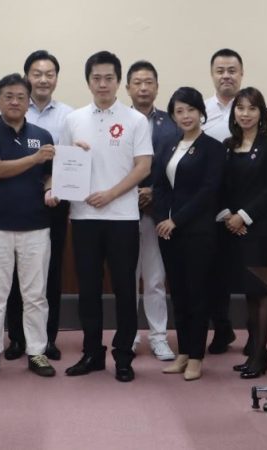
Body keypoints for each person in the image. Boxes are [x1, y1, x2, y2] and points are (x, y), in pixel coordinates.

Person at [61, 51, 152, 382]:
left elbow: (144, 166)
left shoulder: (135, 120)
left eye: (109, 78)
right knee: (88, 289)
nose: (103, 84)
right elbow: (63, 164)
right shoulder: (73, 119)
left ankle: (124, 356)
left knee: (125, 289)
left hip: (122, 217)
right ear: (88, 81)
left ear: (118, 82)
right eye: (96, 78)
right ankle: (91, 353)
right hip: (83, 217)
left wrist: (111, 194)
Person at [0, 73, 56, 378]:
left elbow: (50, 172)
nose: (15, 102)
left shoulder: (42, 134)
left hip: (36, 226)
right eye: (8, 96)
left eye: (21, 97)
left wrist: (51, 187)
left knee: (36, 296)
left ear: (28, 101)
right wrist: (34, 159)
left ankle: (37, 352)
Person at [4, 50, 74, 361]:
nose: (43, 79)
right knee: (14, 274)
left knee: (50, 272)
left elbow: (70, 161)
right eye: (37, 74)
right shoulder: (15, 108)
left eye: (49, 74)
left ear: (56, 78)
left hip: (54, 203)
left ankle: (47, 339)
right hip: (16, 202)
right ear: (26, 77)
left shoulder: (69, 116)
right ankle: (16, 338)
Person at [154, 87, 225, 381]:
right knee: (179, 294)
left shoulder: (213, 147)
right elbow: (160, 187)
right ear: (173, 116)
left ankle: (196, 356)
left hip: (198, 231)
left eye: (191, 110)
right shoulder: (169, 145)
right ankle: (183, 352)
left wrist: (177, 220)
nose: (186, 116)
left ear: (201, 112)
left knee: (197, 294)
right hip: (169, 232)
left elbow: (208, 191)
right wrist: (162, 218)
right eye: (179, 111)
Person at [216, 87, 267, 378]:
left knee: (260, 291)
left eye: (252, 108)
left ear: (261, 113)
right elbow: (220, 186)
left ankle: (260, 353)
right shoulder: (227, 145)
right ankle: (256, 349)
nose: (245, 114)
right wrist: (229, 216)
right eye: (240, 108)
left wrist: (243, 217)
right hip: (231, 229)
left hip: (257, 228)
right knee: (247, 291)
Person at [125, 60, 178, 361]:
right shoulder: (117, 120)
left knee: (155, 278)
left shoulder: (171, 124)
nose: (143, 88)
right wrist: (130, 192)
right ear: (127, 88)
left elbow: (177, 168)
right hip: (122, 209)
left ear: (157, 87)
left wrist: (154, 193)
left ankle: (159, 336)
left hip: (158, 212)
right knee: (127, 277)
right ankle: (129, 335)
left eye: (149, 82)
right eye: (137, 82)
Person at [201, 48, 244, 354]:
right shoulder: (201, 111)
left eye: (232, 70)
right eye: (220, 70)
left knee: (247, 273)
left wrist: (243, 211)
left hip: (246, 207)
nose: (226, 76)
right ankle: (221, 328)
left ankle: (255, 337)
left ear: (241, 74)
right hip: (210, 205)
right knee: (212, 273)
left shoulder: (256, 109)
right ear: (212, 74)